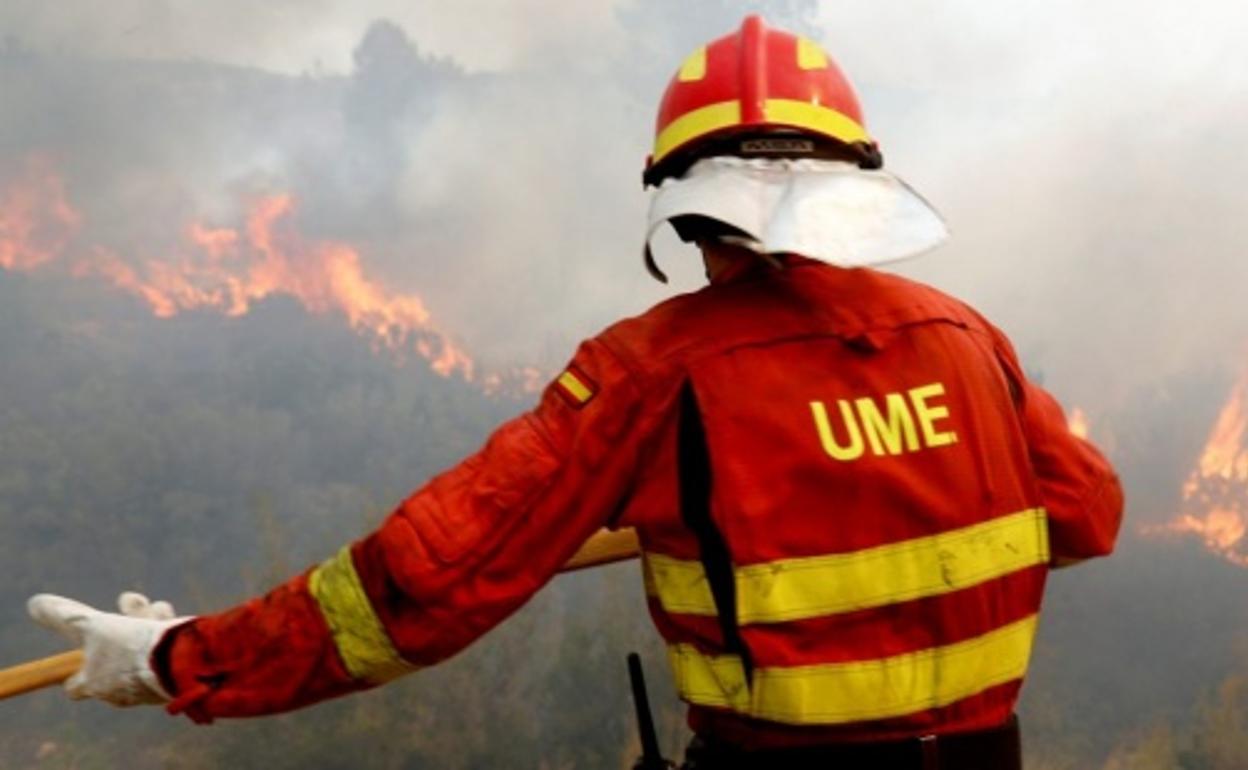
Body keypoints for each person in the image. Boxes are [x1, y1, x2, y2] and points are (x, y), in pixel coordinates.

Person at [29, 15, 1122, 770]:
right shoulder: (966, 336)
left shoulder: (657, 371)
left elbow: (421, 580)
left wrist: (180, 656)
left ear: (686, 210)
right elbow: (1088, 515)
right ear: (855, 179)